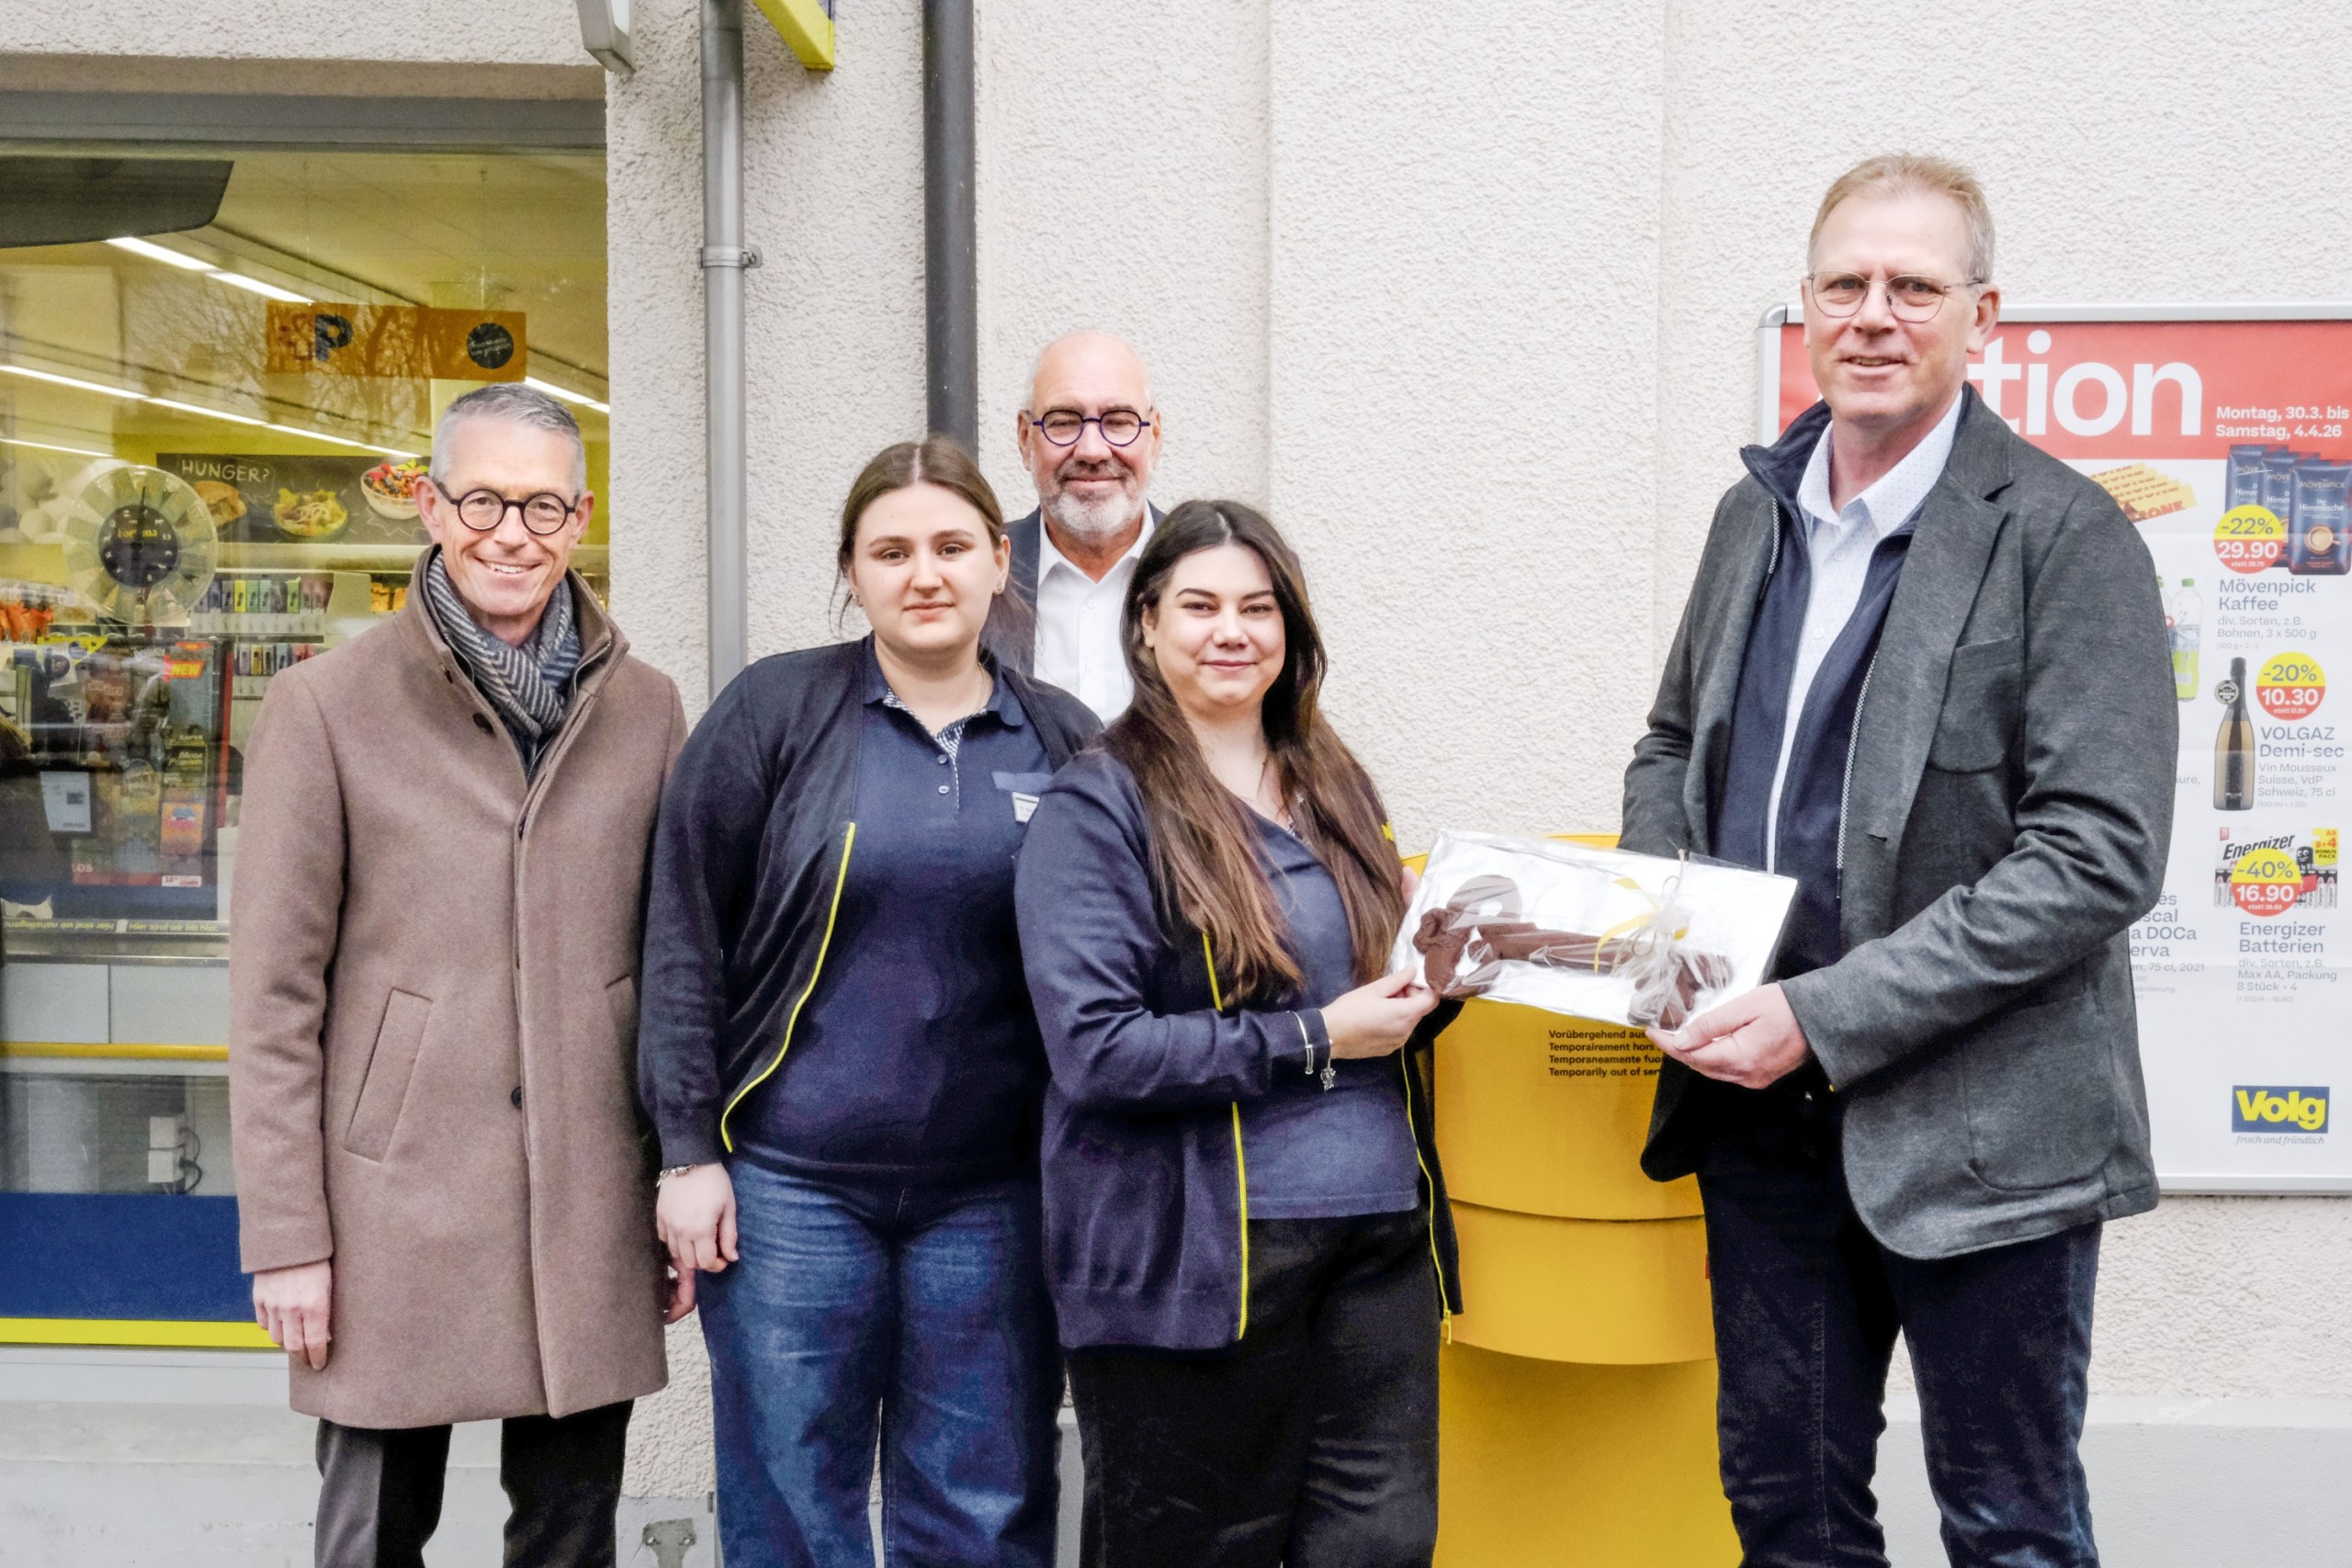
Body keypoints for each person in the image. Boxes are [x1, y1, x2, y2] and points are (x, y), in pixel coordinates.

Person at [1622, 153, 2177, 1567]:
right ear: (1807, 305)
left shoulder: (2065, 533)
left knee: (2010, 1528)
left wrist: (1822, 1012)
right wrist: (1660, 936)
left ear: (1982, 315)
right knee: (1787, 1515)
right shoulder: (1752, 515)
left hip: (1983, 1131)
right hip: (1760, 1121)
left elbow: (2098, 853)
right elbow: (1671, 744)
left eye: (1913, 286)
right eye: (1846, 283)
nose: (1874, 314)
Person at [229, 382, 684, 1568]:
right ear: (431, 507)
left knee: (570, 1538)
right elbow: (275, 1000)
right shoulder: (325, 707)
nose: (510, 534)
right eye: (482, 500)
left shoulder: (643, 709)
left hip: (588, 1190)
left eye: (541, 506)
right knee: (372, 1539)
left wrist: (677, 1171)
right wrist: (287, 1237)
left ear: (579, 518)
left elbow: (674, 965)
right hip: (390, 1205)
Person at [638, 437, 1100, 1568]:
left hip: (992, 1200)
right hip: (791, 1192)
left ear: (1000, 559)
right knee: (794, 1508)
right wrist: (686, 1152)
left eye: (951, 546)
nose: (924, 574)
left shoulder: (1066, 739)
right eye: (890, 552)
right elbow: (682, 937)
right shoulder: (776, 712)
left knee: (984, 1508)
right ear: (852, 571)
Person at [1016, 500, 1462, 1568]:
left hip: (1375, 1241)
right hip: (1195, 1257)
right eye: (1200, 606)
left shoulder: (1334, 782)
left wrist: (1440, 978)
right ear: (1146, 626)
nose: (1231, 632)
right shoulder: (1098, 805)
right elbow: (1099, 1051)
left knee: (1381, 1547)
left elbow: (1368, 1002)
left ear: (1289, 629)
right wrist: (1317, 1037)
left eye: (1258, 609)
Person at [1004, 328, 1165, 720]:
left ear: (1154, 438)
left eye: (1119, 421)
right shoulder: (974, 574)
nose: (1092, 451)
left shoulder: (1215, 569)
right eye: (1063, 422)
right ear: (1025, 439)